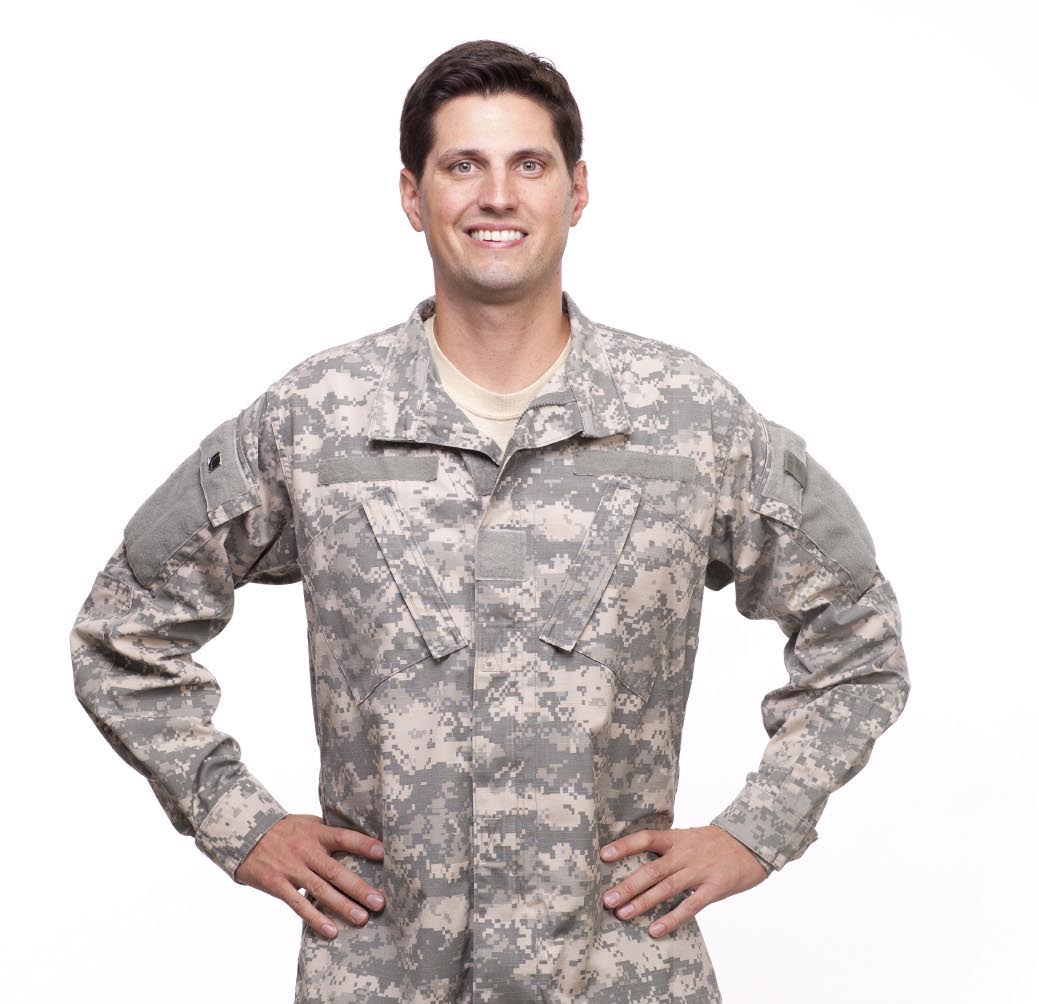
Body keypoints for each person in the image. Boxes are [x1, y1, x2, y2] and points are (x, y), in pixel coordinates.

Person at [70, 40, 908, 1002]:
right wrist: (240, 820)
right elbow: (121, 633)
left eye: (529, 165)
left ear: (577, 190)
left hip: (615, 976)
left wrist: (759, 828)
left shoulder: (689, 420)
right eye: (462, 165)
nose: (496, 195)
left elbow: (859, 639)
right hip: (385, 975)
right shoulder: (316, 417)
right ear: (412, 196)